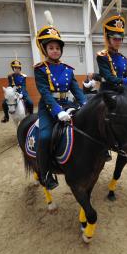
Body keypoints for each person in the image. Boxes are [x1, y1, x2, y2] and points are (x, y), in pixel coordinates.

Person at [34, 11, 87, 190]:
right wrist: (57, 111)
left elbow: (76, 90)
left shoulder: (67, 69)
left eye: (57, 48)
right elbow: (45, 93)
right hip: (49, 107)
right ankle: (45, 172)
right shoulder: (40, 69)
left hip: (68, 104)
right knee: (45, 136)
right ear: (45, 50)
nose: (55, 51)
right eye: (51, 48)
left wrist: (85, 103)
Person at [96, 15, 127, 91]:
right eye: (115, 39)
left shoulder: (123, 58)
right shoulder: (102, 57)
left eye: (120, 39)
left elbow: (123, 75)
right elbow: (109, 78)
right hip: (108, 93)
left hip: (121, 90)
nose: (118, 42)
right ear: (108, 39)